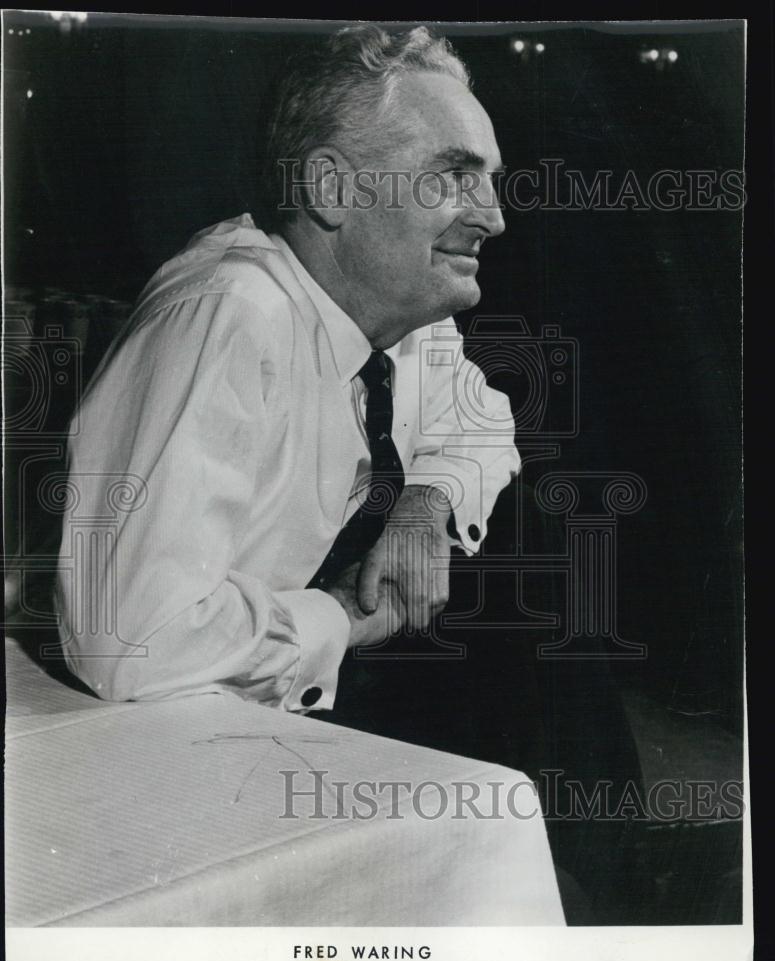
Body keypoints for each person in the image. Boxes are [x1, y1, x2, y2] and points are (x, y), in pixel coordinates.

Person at [55, 25, 520, 711]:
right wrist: (341, 616)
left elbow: (481, 419)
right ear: (331, 188)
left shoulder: (403, 314)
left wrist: (426, 504)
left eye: (490, 182)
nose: (494, 218)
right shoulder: (228, 316)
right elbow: (129, 641)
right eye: (455, 176)